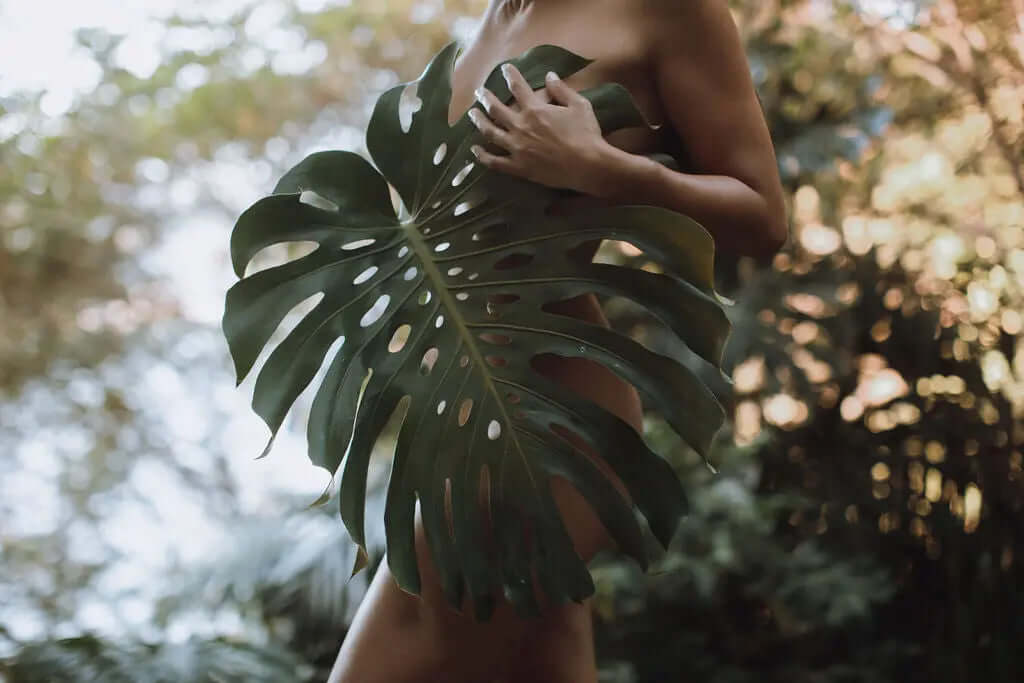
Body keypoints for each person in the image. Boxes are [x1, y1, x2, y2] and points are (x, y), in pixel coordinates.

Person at [329, 0, 787, 681]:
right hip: (468, 410)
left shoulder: (671, 10)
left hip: (543, 421)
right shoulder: (496, 18)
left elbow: (763, 216)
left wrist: (604, 169)